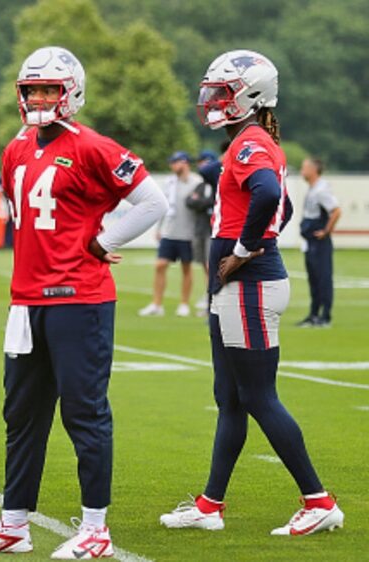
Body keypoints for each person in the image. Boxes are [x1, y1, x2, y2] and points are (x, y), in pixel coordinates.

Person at [0, 46, 167, 558]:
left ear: (71, 92)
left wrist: (105, 240)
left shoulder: (93, 147)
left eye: (49, 89)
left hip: (78, 298)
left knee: (84, 414)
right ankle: (14, 524)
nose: (40, 98)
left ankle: (96, 529)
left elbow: (155, 202)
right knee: (21, 414)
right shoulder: (15, 149)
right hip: (25, 301)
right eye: (32, 90)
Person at [160, 49, 344, 536]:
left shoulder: (249, 144)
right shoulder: (248, 139)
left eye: (223, 93)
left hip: (251, 284)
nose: (214, 101)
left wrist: (244, 248)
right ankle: (210, 505)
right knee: (230, 397)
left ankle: (318, 499)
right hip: (238, 284)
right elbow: (280, 205)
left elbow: (267, 195)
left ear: (251, 94)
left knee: (259, 397)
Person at [139, 151, 202, 317]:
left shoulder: (197, 182)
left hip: (188, 233)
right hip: (169, 231)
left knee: (186, 267)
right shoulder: (169, 182)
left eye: (176, 162)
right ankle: (156, 304)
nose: (173, 166)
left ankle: (184, 304)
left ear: (185, 162)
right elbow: (163, 206)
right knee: (160, 265)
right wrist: (159, 228)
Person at [297, 157, 341, 328]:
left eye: (304, 167)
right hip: (310, 242)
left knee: (323, 278)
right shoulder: (313, 189)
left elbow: (336, 211)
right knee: (313, 278)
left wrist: (325, 231)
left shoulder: (321, 190)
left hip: (319, 243)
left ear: (314, 169)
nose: (302, 171)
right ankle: (313, 314)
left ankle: (325, 316)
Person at [187, 147, 223, 317]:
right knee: (204, 265)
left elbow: (213, 202)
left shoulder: (218, 182)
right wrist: (204, 203)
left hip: (213, 230)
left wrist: (203, 203)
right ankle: (209, 296)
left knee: (211, 266)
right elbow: (190, 201)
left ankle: (213, 301)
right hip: (201, 228)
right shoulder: (201, 185)